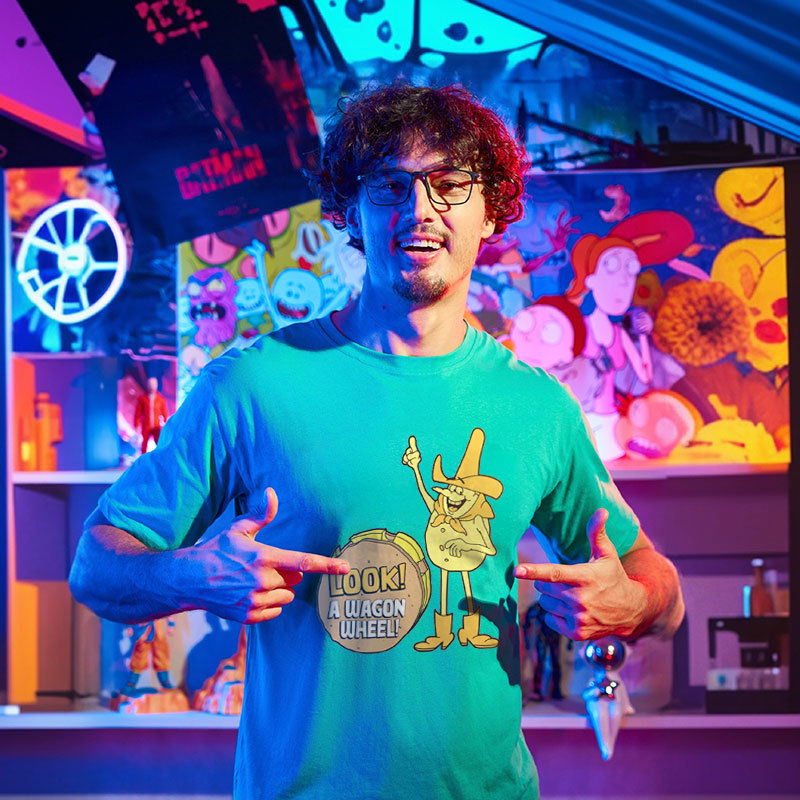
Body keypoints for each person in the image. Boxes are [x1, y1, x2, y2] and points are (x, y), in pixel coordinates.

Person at [69, 83, 684, 800]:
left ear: (491, 211)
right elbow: (95, 566)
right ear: (350, 211)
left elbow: (659, 587)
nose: (420, 209)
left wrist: (634, 602)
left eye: (450, 184)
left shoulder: (538, 408)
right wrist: (189, 577)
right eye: (390, 185)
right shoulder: (251, 386)